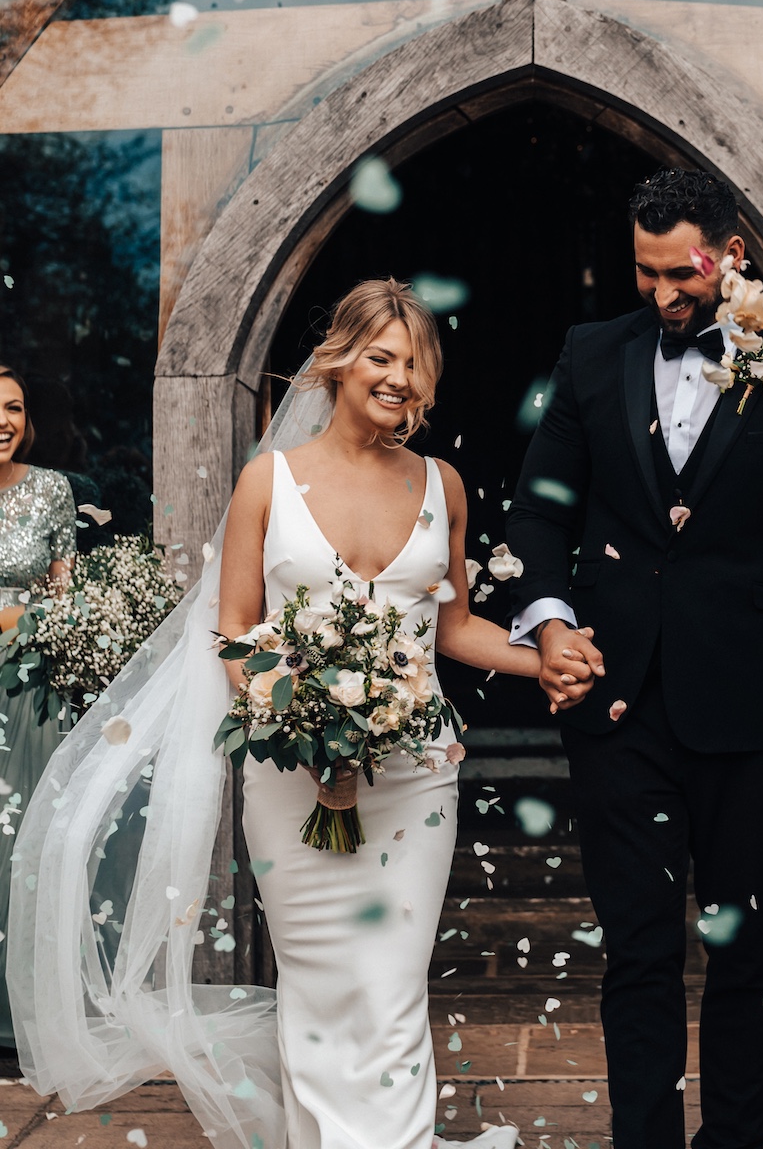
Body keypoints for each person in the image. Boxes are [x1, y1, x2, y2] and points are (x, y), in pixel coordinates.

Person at [9, 280, 588, 1149]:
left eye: (416, 364)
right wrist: (303, 722)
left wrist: (541, 654)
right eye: (382, 357)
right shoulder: (266, 481)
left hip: (415, 770)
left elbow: (456, 624)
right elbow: (234, 631)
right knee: (321, 982)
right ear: (340, 361)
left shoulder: (443, 483)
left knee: (391, 981)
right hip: (291, 773)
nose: (399, 378)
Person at [506, 167, 763, 1149]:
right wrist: (549, 622)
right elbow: (539, 511)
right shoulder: (589, 355)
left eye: (683, 273)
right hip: (615, 708)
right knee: (634, 950)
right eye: (646, 272)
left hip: (756, 715)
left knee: (745, 954)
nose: (664, 295)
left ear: (731, 252)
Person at [0, 365, 76, 1048]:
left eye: (14, 407)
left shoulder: (52, 490)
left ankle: (22, 1014)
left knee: (24, 844)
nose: (4, 420)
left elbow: (63, 594)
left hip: (27, 689)